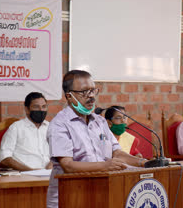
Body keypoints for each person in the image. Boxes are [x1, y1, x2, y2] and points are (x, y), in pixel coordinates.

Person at [46, 70, 146, 208]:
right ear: (69, 96)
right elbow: (68, 165)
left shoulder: (100, 121)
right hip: (69, 197)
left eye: (93, 90)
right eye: (84, 92)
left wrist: (144, 163)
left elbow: (116, 153)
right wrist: (105, 166)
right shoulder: (60, 124)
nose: (91, 96)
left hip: (100, 195)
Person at [0, 92, 52, 171]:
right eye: (36, 107)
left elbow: (60, 152)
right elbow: (4, 157)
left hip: (50, 174)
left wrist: (51, 166)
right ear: (27, 109)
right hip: (24, 175)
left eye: (44, 107)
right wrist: (30, 171)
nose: (41, 110)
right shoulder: (16, 128)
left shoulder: (51, 127)